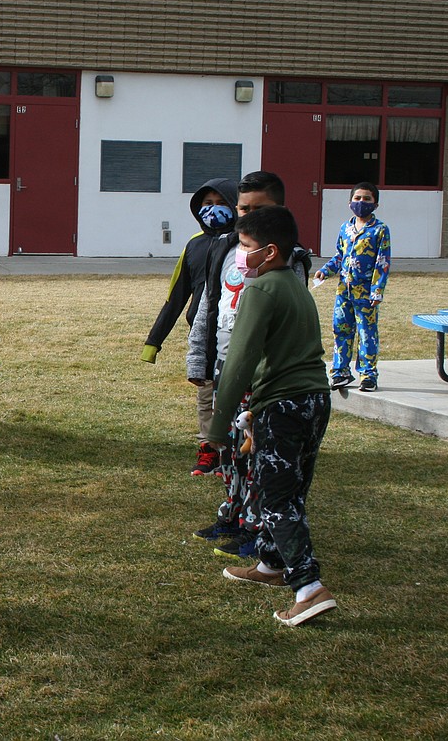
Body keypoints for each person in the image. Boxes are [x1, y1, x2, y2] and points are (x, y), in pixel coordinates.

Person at [208, 205, 335, 627]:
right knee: (290, 490)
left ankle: (309, 587)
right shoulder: (293, 284)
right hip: (314, 399)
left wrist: (218, 423)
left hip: (283, 405)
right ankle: (270, 564)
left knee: (275, 497)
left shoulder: (262, 290)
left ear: (270, 251)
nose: (240, 255)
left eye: (245, 247)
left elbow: (239, 358)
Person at [186, 171, 311, 560]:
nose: (248, 215)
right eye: (243, 208)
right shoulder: (226, 250)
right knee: (230, 454)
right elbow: (208, 303)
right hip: (227, 363)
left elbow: (285, 321)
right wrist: (199, 357)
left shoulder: (291, 260)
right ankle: (233, 514)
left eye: (259, 209)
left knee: (256, 451)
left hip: (262, 373)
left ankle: (257, 528)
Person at [143, 178, 238, 477]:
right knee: (206, 396)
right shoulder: (194, 245)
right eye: (207, 204)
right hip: (203, 333)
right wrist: (153, 342)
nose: (213, 209)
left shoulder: (242, 243)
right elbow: (176, 296)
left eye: (221, 203)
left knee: (234, 396)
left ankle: (234, 453)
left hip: (233, 331)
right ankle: (208, 451)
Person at [313, 182, 391, 392]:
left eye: (366, 199)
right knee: (341, 330)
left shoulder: (380, 230)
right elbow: (340, 255)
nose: (361, 203)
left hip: (365, 292)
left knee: (367, 332)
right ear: (350, 202)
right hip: (343, 291)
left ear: (375, 203)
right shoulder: (345, 228)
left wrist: (377, 290)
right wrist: (326, 271)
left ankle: (368, 374)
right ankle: (340, 372)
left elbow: (382, 262)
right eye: (357, 198)